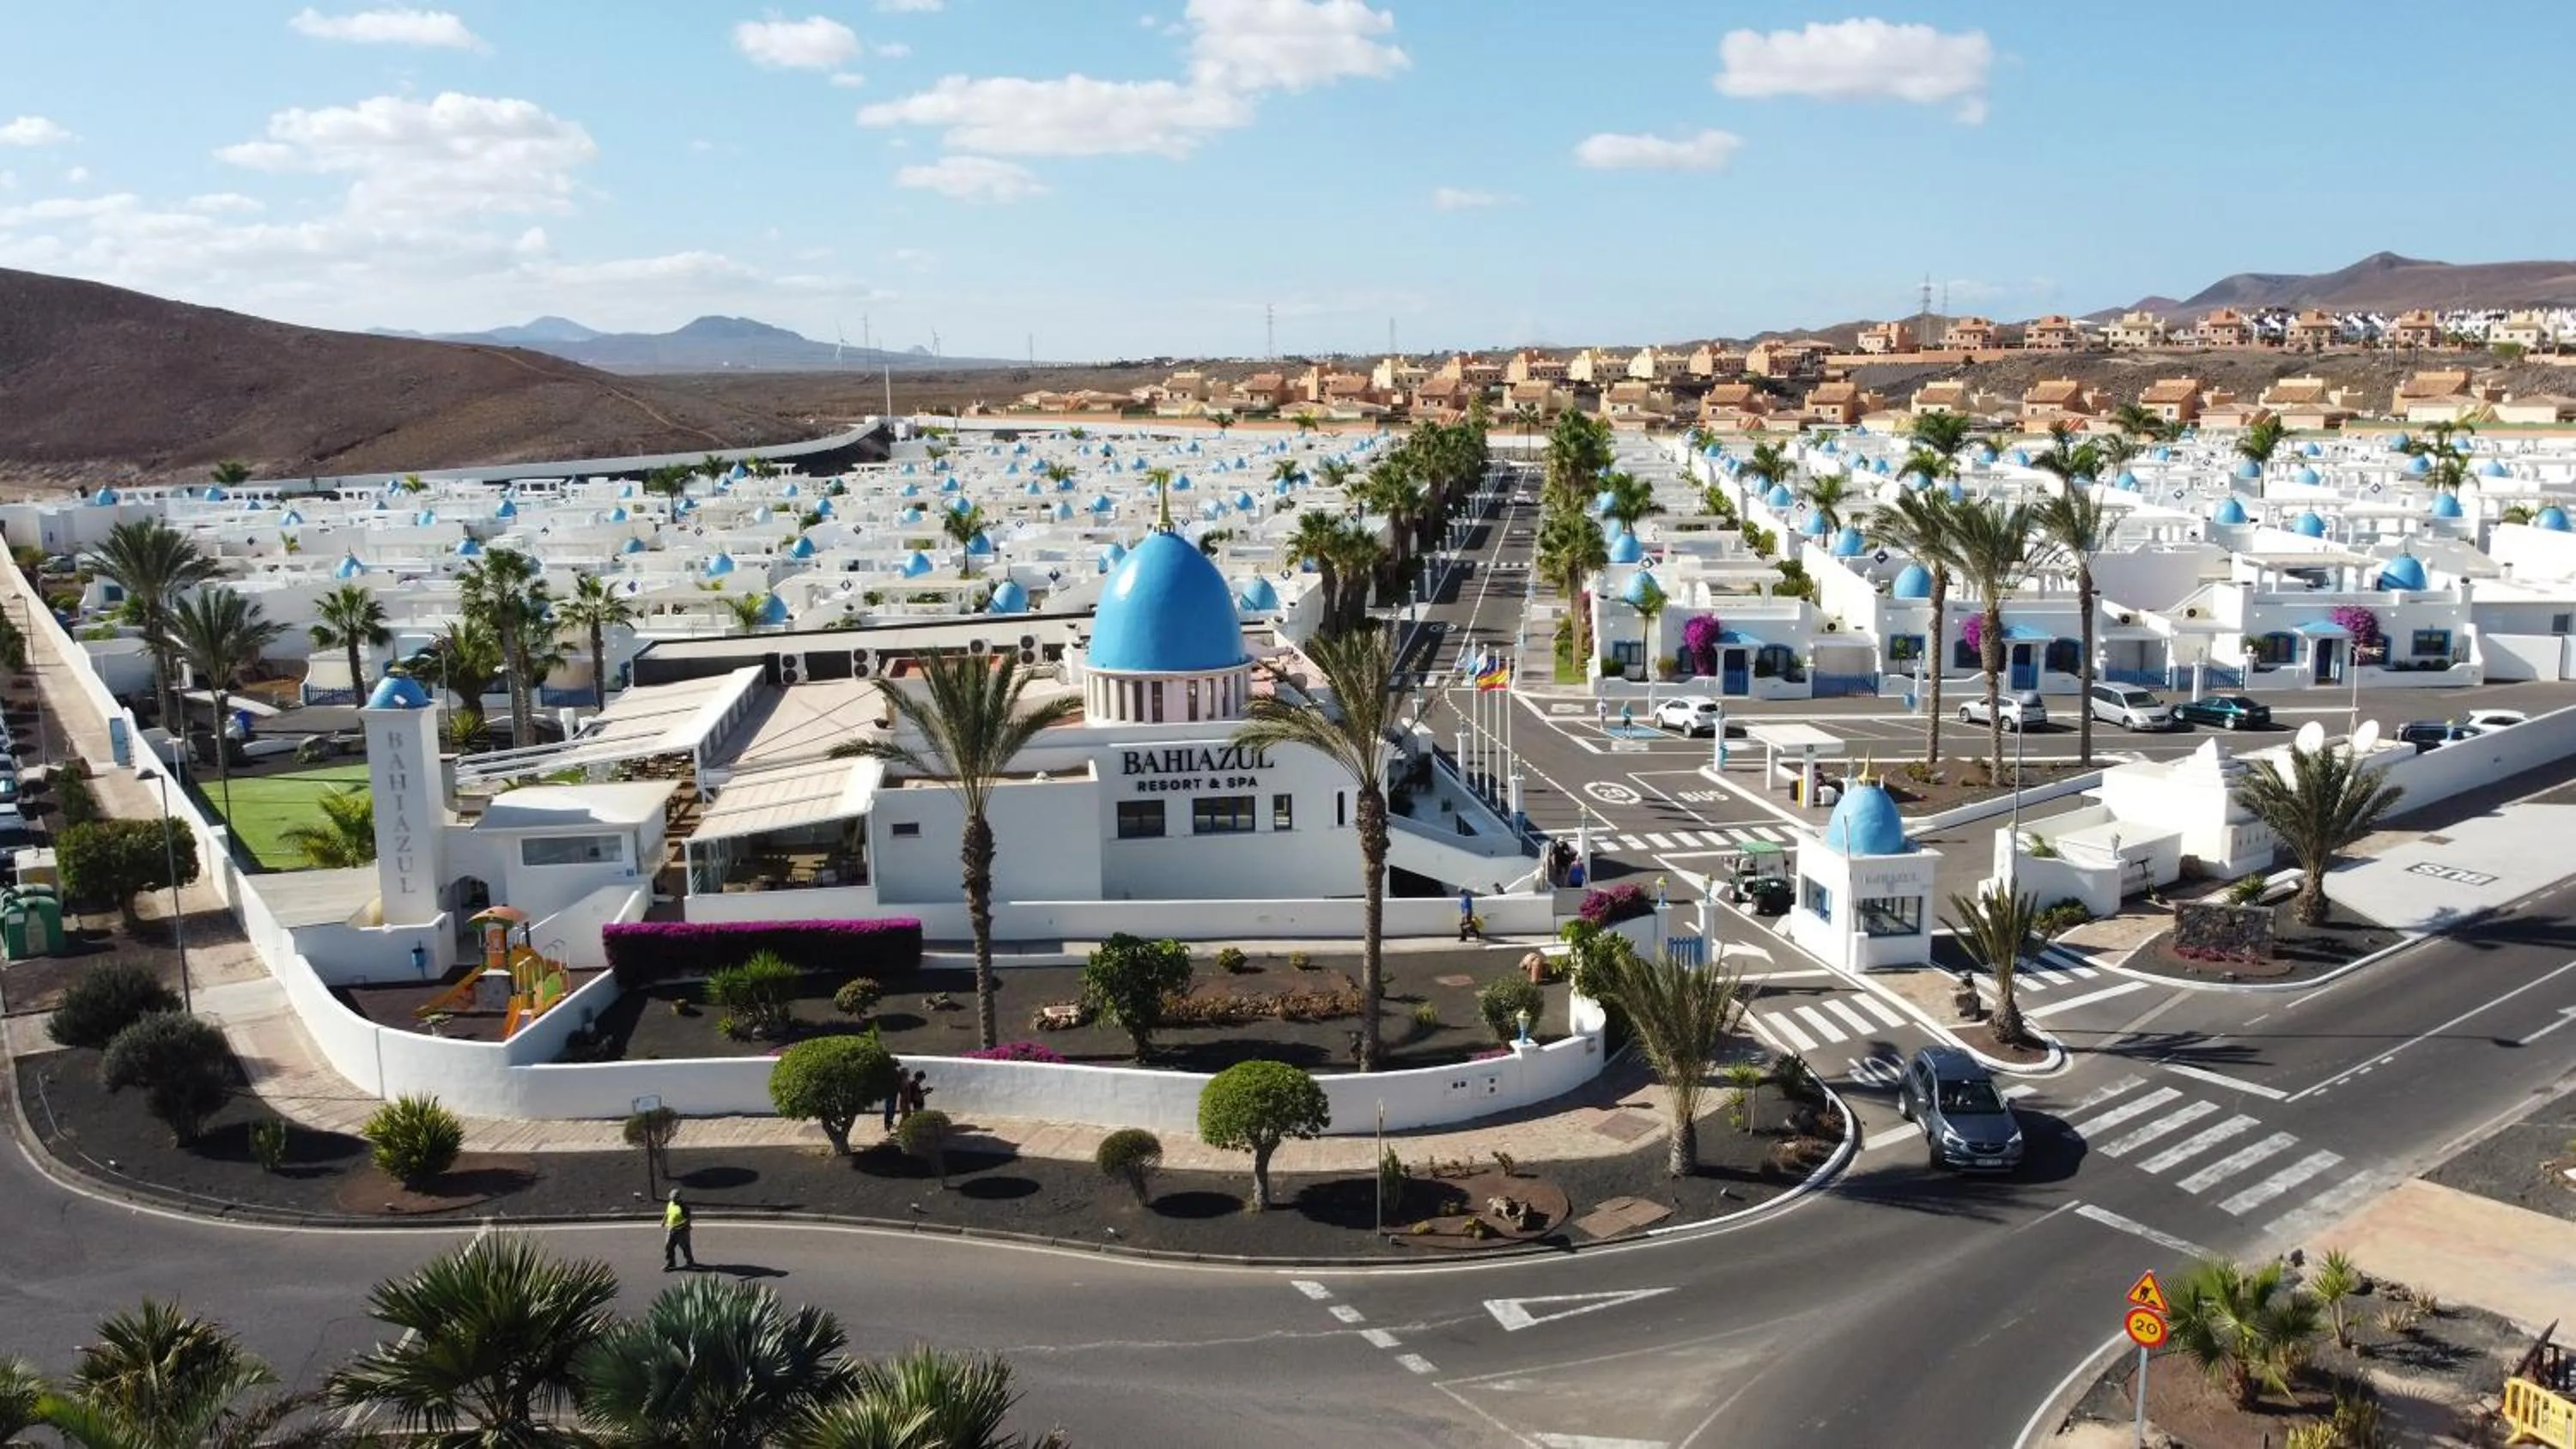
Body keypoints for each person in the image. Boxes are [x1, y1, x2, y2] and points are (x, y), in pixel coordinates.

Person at [662, 1189, 696, 1271]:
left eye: (675, 1199)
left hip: (682, 1232)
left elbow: (687, 1221)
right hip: (671, 1229)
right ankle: (671, 1263)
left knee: (685, 1247)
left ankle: (690, 1263)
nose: (673, 1200)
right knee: (668, 1247)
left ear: (679, 1198)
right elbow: (667, 1212)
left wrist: (677, 1226)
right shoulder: (671, 1203)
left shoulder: (684, 1207)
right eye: (672, 1199)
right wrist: (664, 1221)